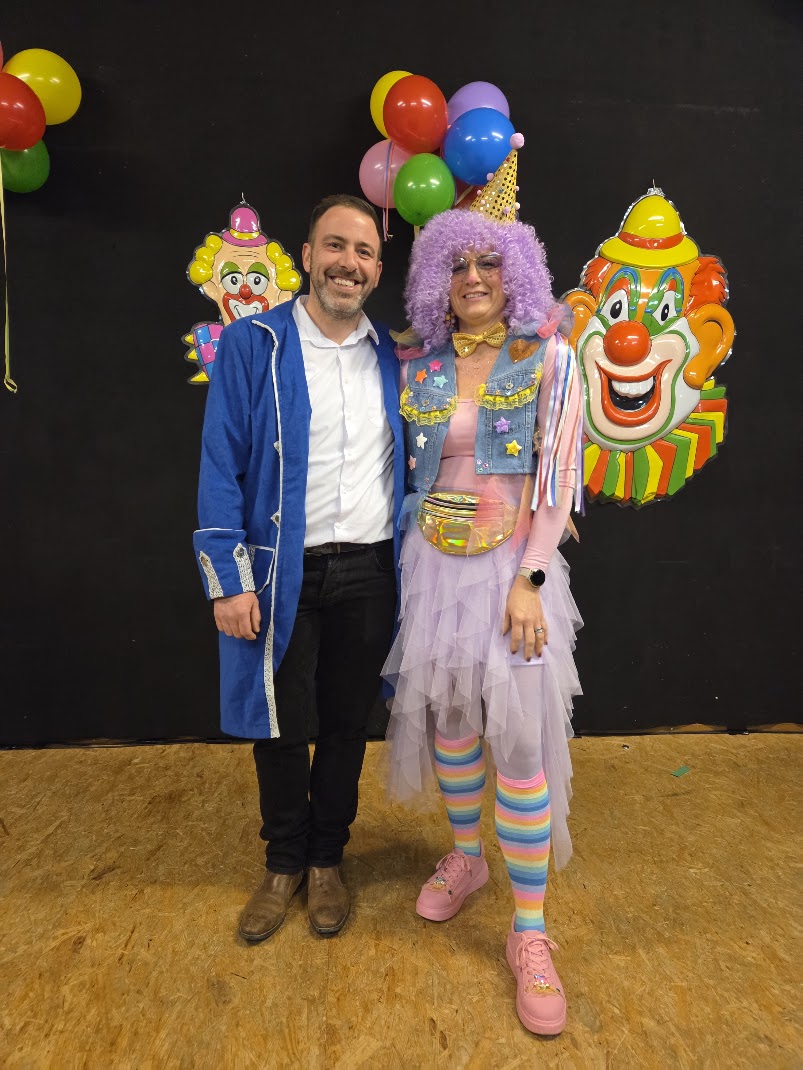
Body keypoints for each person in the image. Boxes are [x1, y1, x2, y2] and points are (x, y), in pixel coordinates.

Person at [383, 160, 583, 1036]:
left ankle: (529, 933)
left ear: (518, 271)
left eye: (488, 261)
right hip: (433, 567)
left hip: (512, 575)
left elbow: (559, 484)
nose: (472, 277)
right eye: (456, 263)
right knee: (454, 730)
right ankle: (466, 857)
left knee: (522, 746)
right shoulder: (420, 363)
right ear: (436, 276)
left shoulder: (550, 359)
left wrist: (529, 579)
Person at [194, 194, 405, 942]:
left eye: (364, 252)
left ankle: (326, 860)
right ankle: (282, 862)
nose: (349, 262)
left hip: (370, 571)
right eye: (335, 246)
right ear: (308, 256)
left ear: (377, 269)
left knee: (347, 724)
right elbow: (220, 464)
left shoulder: (395, 355)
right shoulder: (252, 344)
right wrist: (228, 580)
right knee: (279, 724)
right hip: (281, 573)